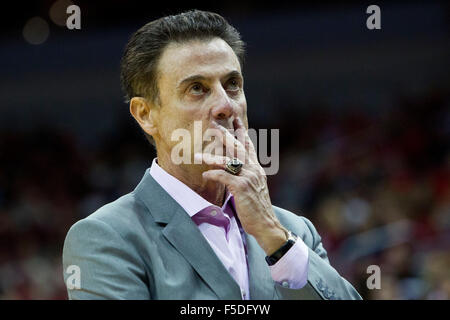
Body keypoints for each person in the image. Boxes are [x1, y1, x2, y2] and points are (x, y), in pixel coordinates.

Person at [62, 9, 362, 300]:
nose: (225, 105)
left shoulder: (293, 231)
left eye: (232, 84)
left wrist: (273, 237)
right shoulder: (107, 237)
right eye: (197, 88)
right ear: (146, 114)